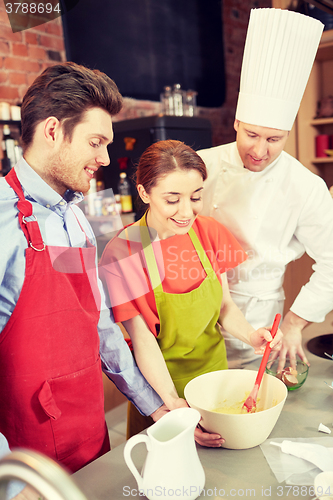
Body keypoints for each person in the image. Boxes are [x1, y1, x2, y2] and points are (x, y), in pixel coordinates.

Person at [0, 62, 174, 474]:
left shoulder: (74, 220)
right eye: (96, 142)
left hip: (89, 433)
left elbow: (98, 324)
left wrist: (157, 408)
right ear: (53, 131)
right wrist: (8, 476)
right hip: (27, 459)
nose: (105, 157)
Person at [99, 139, 283, 447]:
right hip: (162, 388)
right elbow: (142, 340)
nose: (187, 212)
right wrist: (171, 405)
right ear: (144, 193)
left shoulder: (208, 231)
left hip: (215, 382)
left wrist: (251, 336)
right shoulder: (123, 253)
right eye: (172, 200)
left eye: (195, 197)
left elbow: (224, 306)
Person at [197, 8, 333, 370]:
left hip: (260, 318)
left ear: (287, 133)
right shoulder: (200, 164)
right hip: (192, 306)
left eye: (274, 139)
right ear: (237, 122)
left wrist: (293, 323)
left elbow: (332, 263)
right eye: (252, 135)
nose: (260, 150)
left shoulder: (306, 186)